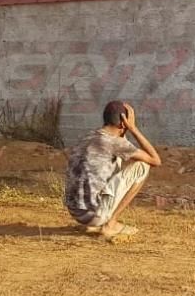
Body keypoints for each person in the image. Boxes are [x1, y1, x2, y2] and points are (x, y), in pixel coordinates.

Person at [65, 101, 161, 237]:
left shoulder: (88, 137)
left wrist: (124, 131)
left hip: (75, 212)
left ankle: (95, 223)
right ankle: (110, 224)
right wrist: (133, 129)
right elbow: (155, 160)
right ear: (123, 122)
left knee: (116, 159)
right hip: (94, 215)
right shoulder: (114, 142)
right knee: (142, 166)